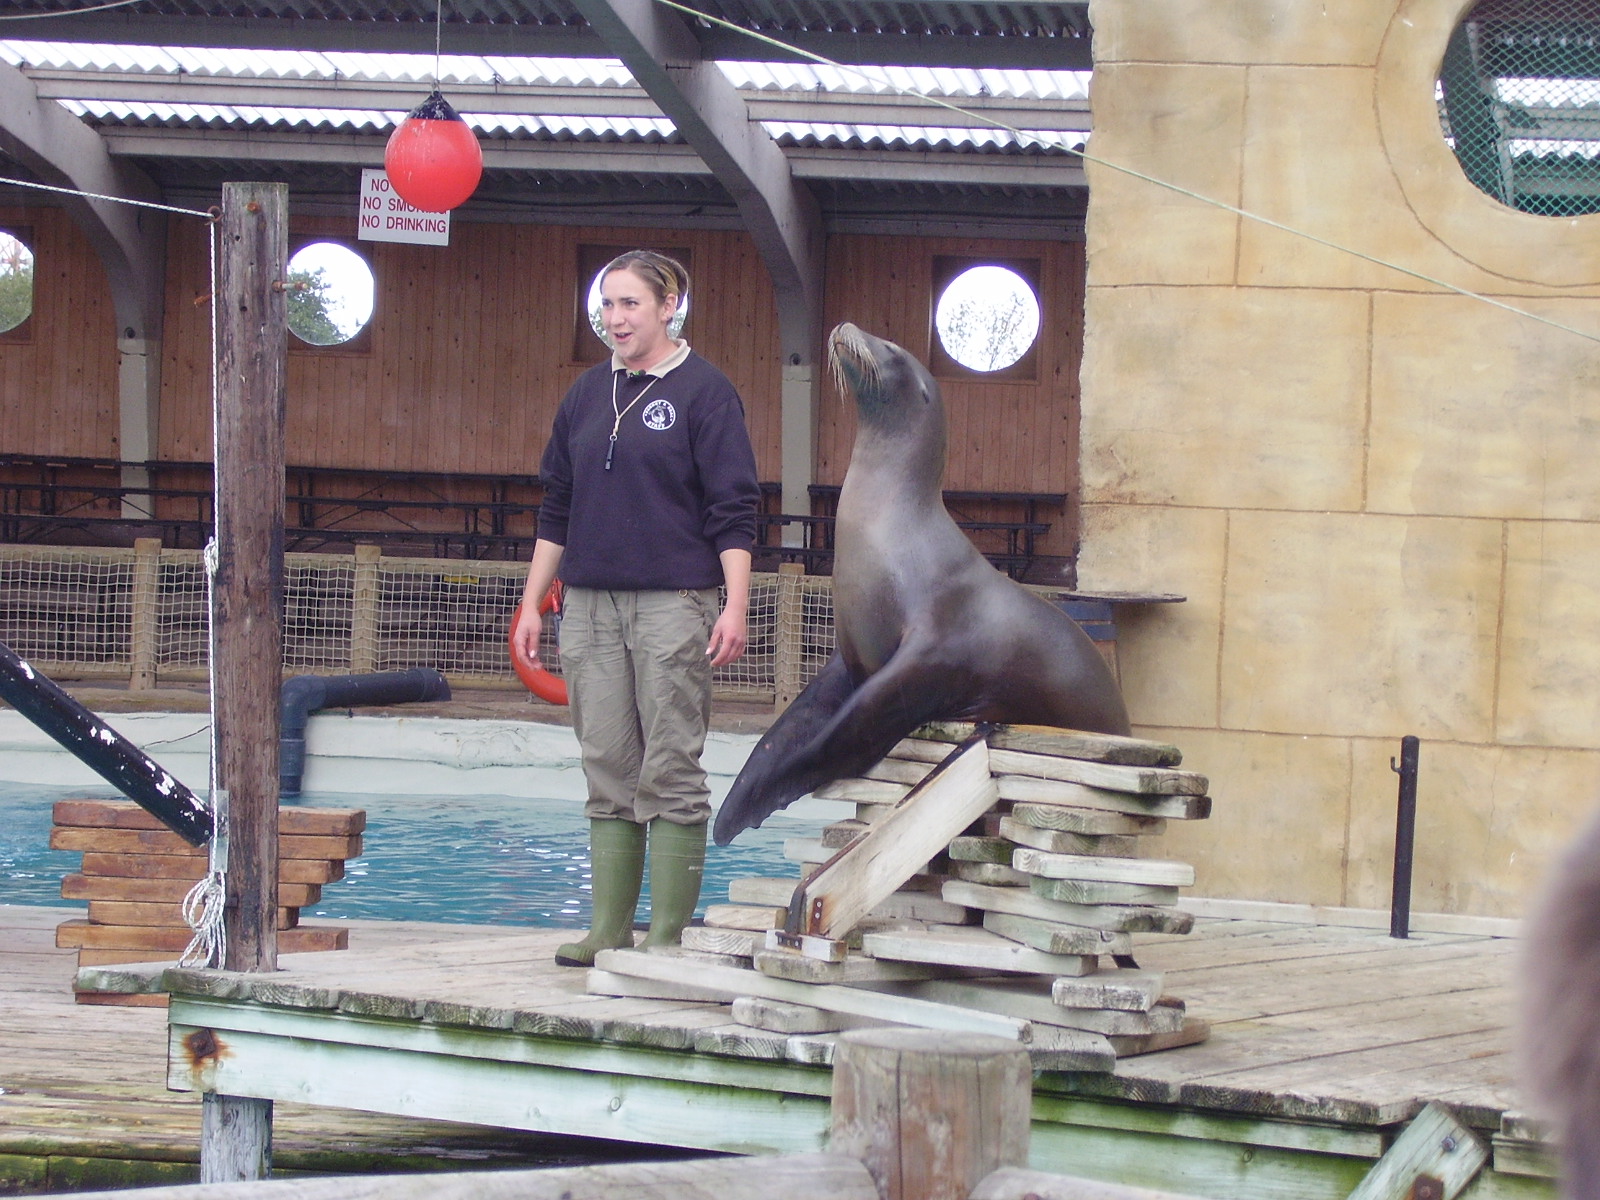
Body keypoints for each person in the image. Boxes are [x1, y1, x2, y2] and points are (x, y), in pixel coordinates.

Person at [512, 249, 759, 967]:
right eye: (607, 304)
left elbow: (734, 509)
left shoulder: (706, 392)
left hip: (672, 602)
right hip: (588, 603)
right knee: (606, 762)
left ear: (668, 307)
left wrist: (734, 604)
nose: (615, 319)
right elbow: (556, 506)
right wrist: (532, 603)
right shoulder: (587, 393)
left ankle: (666, 936)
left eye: (630, 304)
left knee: (670, 765)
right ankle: (607, 931)